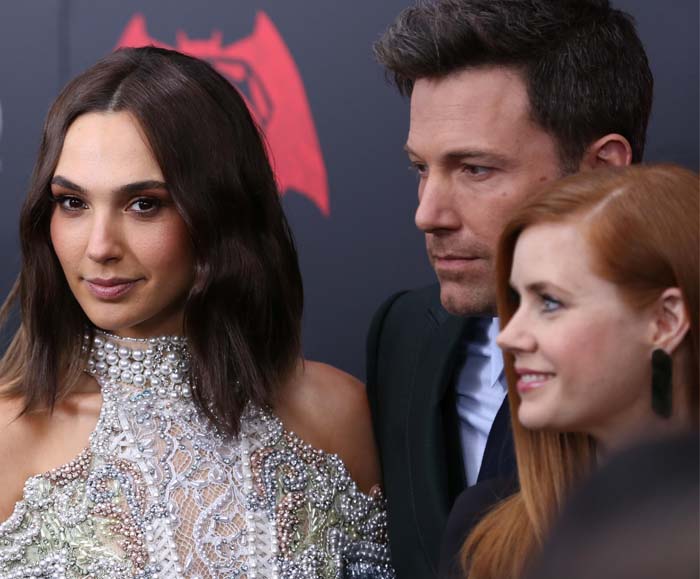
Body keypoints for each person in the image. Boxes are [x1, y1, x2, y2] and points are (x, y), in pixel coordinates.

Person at [0, 46, 395, 579]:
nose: (98, 247)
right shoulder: (10, 433)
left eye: (144, 204)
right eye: (73, 203)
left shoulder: (338, 413)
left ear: (219, 214)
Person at [367, 0, 653, 575]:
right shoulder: (402, 335)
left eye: (476, 169)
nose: (428, 213)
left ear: (604, 172)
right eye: (421, 168)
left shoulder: (674, 371)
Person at [444, 164, 699, 578]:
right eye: (517, 300)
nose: (508, 337)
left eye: (549, 302)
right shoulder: (484, 534)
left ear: (665, 321)